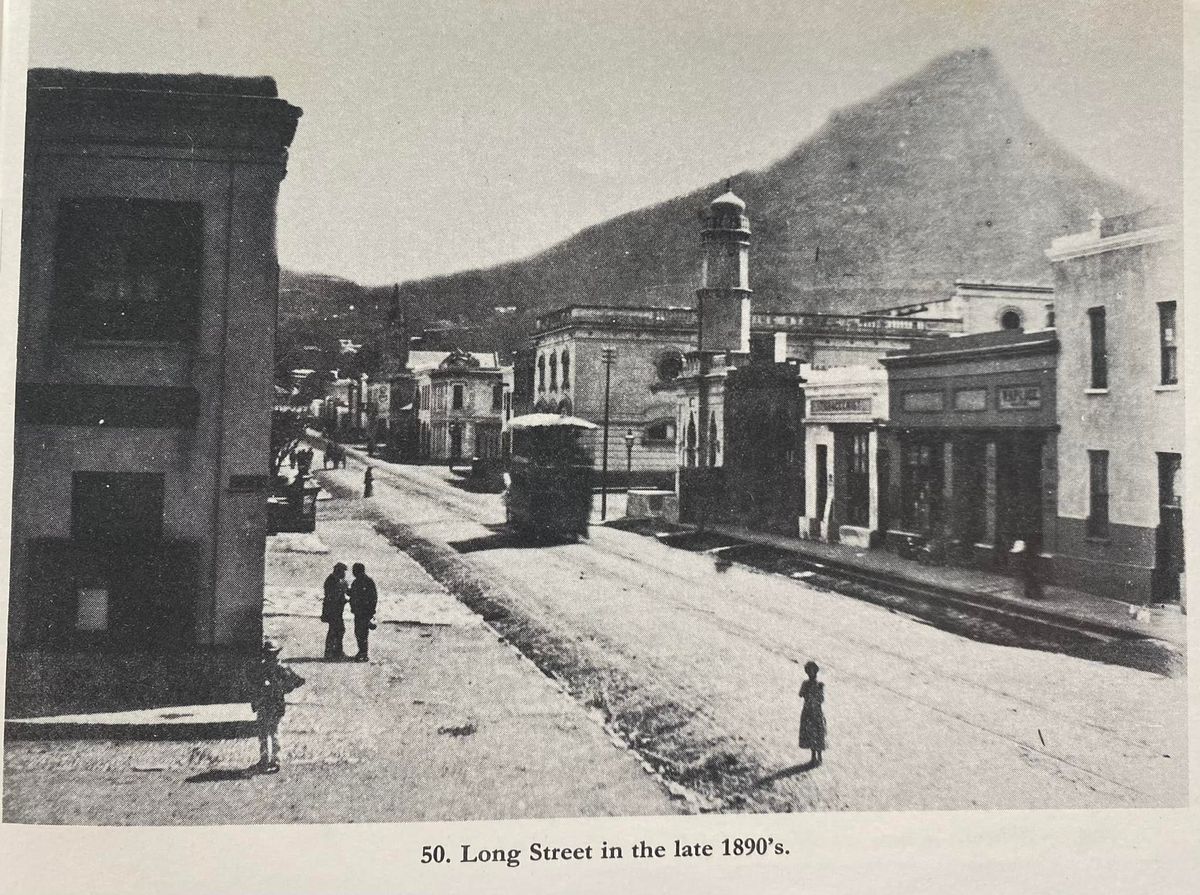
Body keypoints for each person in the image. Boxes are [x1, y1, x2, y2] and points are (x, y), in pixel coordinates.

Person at [249, 638, 305, 774]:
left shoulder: (260, 667)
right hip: (277, 703)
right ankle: (275, 760)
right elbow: (298, 681)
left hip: (264, 703)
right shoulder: (282, 668)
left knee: (264, 733)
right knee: (273, 732)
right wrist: (284, 688)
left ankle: (265, 759)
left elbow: (251, 681)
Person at [348, 562, 378, 662]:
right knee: (359, 633)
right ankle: (362, 651)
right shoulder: (358, 581)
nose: (353, 573)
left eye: (354, 571)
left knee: (362, 633)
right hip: (359, 612)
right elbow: (353, 594)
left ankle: (363, 653)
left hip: (364, 613)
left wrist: (371, 612)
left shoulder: (366, 581)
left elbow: (373, 597)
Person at [798, 660, 826, 766]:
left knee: (818, 733)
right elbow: (800, 694)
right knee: (811, 733)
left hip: (816, 712)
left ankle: (819, 756)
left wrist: (819, 691)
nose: (811, 674)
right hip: (808, 712)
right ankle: (813, 756)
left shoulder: (819, 685)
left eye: (813, 671)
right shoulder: (806, 684)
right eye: (809, 671)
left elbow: (821, 699)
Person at [322, 562, 349, 659]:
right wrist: (343, 600)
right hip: (332, 610)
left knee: (339, 630)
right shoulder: (331, 581)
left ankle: (336, 651)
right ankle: (332, 652)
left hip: (337, 611)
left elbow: (346, 591)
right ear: (339, 571)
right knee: (335, 630)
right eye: (343, 571)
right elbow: (332, 597)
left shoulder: (340, 581)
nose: (344, 573)